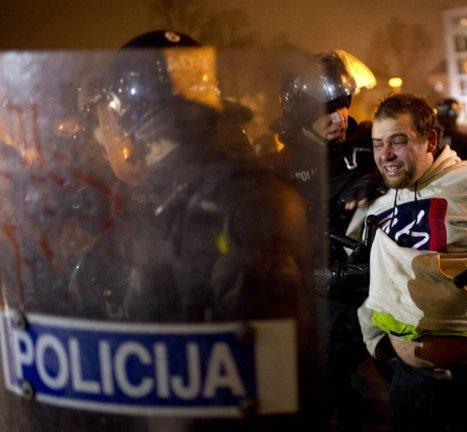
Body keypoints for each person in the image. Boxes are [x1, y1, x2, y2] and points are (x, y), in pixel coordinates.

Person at [69, 30, 318, 431]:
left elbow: (256, 377)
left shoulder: (231, 203)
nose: (100, 137)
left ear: (132, 119)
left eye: (104, 121)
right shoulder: (178, 197)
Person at [351, 93, 467, 431]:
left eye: (398, 141)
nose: (385, 154)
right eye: (378, 144)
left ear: (430, 140)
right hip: (411, 384)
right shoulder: (380, 202)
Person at [271, 49, 382, 431]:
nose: (341, 118)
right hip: (323, 306)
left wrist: (380, 177)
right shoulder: (279, 169)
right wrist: (324, 277)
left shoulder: (367, 146)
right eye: (328, 110)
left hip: (377, 297)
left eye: (345, 106)